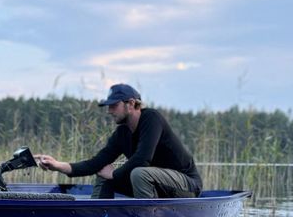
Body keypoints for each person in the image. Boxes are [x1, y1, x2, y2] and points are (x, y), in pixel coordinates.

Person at [35, 84, 202, 199]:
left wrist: (114, 174)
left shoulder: (151, 118)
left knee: (138, 173)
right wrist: (58, 165)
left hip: (186, 186)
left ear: (131, 104)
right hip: (153, 185)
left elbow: (142, 159)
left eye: (114, 105)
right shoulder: (122, 133)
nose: (109, 111)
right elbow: (95, 163)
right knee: (103, 172)